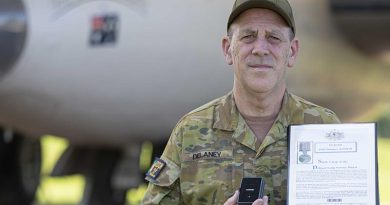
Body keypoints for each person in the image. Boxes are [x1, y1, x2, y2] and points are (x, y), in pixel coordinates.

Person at [141, 0, 340, 204]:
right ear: (228, 49)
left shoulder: (323, 127)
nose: (260, 49)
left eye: (273, 37)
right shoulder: (190, 131)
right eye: (248, 36)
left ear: (292, 51)